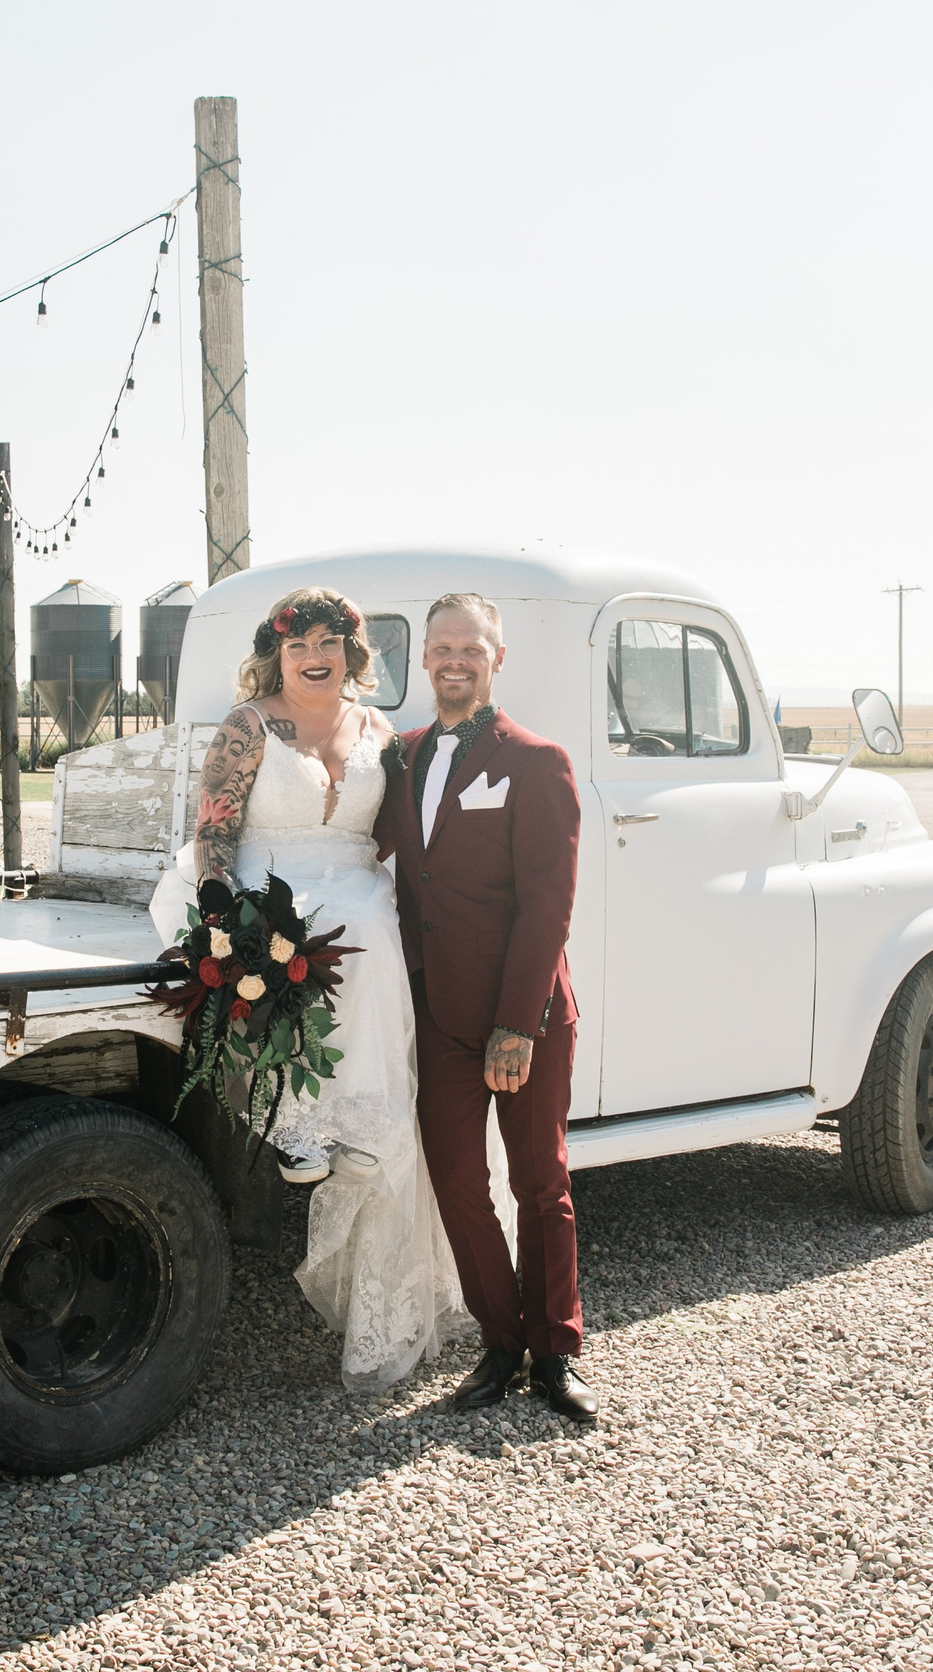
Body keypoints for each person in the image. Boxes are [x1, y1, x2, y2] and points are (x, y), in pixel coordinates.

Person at [148, 587, 469, 1393]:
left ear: (352, 654)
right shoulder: (250, 725)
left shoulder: (379, 733)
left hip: (357, 881)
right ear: (278, 654)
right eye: (299, 645)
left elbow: (404, 828)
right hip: (267, 882)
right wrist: (221, 915)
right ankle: (302, 1128)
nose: (314, 656)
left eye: (330, 642)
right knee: (314, 939)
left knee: (374, 936)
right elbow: (214, 828)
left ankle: (363, 1133)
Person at [374, 593, 597, 1422]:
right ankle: (501, 1343)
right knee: (459, 1184)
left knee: (541, 1183)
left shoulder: (537, 762)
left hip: (523, 1015)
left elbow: (548, 905)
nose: (454, 660)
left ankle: (556, 1352)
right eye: (441, 647)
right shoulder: (399, 758)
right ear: (423, 659)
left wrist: (516, 1024)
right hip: (439, 1013)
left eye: (471, 647)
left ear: (497, 658)